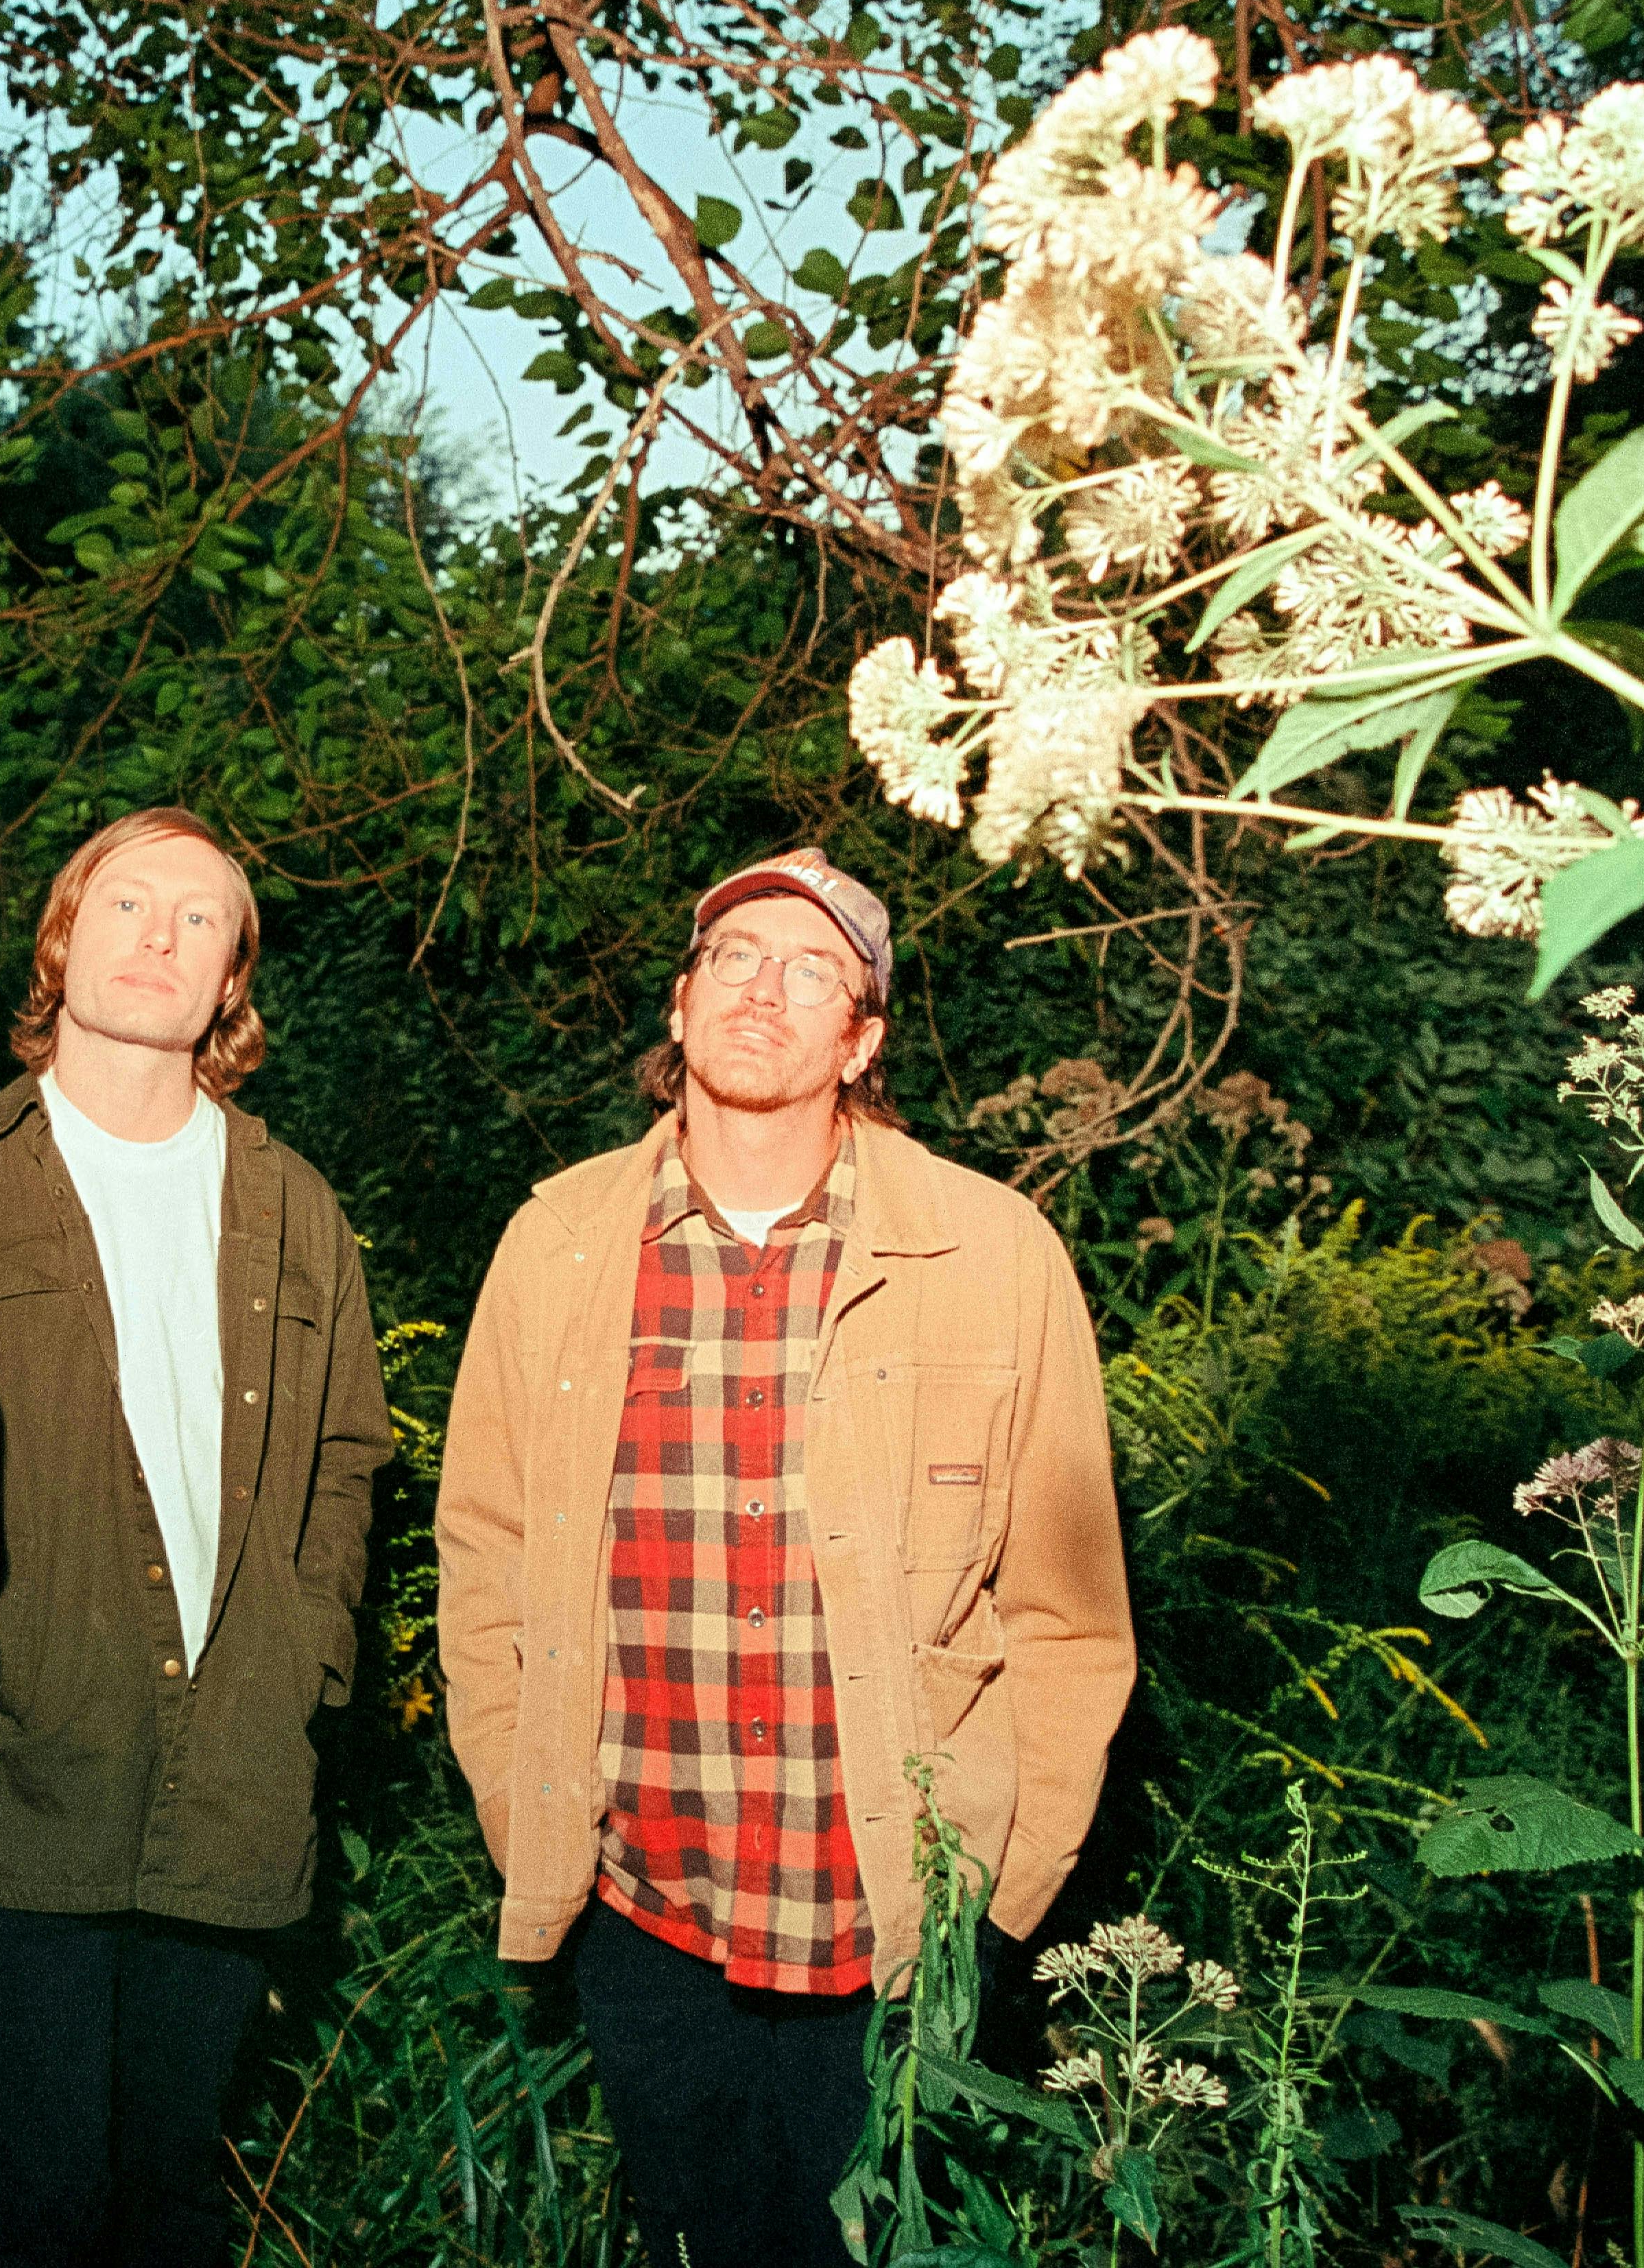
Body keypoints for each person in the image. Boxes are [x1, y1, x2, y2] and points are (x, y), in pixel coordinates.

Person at [434, 849, 1132, 2268]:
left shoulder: (991, 1254)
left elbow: (1068, 1614)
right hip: (645, 1907)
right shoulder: (555, 1244)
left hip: (893, 1919)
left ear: (859, 1040)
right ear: (680, 1003)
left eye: (812, 970)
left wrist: (1001, 1895)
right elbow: (484, 1552)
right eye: (734, 957)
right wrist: (528, 1813)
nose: (763, 989)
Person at [0, 810, 390, 2268]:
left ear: (229, 981)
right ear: (62, 939)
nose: (159, 937)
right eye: (127, 903)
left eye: (200, 919)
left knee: (168, 2210)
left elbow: (347, 1460)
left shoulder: (292, 1204)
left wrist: (306, 1668)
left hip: (228, 1787)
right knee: (22, 2213)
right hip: (13, 1788)